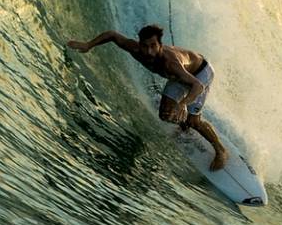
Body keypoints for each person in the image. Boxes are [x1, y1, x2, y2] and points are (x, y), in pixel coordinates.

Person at [65, 23, 229, 170]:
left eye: (153, 46)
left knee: (194, 120)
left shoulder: (170, 63)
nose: (149, 51)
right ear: (139, 43)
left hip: (200, 74)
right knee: (165, 115)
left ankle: (221, 151)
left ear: (160, 45)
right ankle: (184, 123)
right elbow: (112, 35)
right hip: (180, 77)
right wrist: (89, 45)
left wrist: (183, 103)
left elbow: (197, 86)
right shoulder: (135, 49)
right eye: (145, 46)